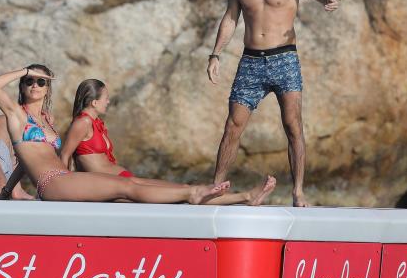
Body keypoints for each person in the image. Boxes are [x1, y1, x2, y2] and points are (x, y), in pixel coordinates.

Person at [0, 64, 261, 205]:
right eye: (29, 82)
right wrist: (26, 70)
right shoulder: (17, 115)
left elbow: (26, 161)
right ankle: (194, 193)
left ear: (48, 89)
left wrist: (6, 191)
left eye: (41, 81)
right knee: (127, 187)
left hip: (65, 178)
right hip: (52, 184)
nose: (34, 85)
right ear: (22, 85)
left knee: (132, 191)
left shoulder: (46, 120)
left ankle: (227, 197)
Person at [207, 0, 339, 207]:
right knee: (233, 125)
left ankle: (298, 192)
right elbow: (230, 18)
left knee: (293, 125)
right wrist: (215, 54)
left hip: (284, 59)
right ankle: (215, 188)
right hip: (251, 61)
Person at [61, 78, 275, 203]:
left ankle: (247, 196)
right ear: (94, 101)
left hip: (123, 180)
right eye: (105, 97)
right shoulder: (82, 123)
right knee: (186, 194)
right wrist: (63, 190)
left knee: (184, 189)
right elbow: (65, 156)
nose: (108, 100)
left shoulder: (95, 123)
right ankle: (246, 197)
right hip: (112, 186)